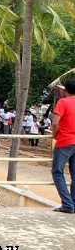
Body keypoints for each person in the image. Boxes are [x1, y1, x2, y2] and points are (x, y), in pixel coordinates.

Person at [51, 78, 75, 213]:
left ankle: (67, 204)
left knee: (57, 172)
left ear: (65, 90)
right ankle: (73, 203)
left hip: (65, 141)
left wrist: (55, 134)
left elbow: (55, 123)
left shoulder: (63, 102)